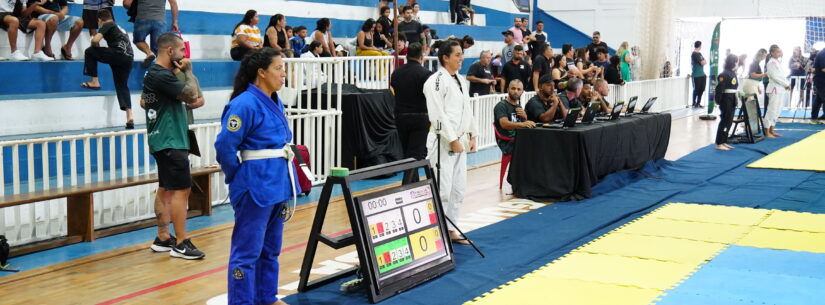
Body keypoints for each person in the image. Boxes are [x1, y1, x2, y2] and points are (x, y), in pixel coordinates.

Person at [215, 47, 295, 305]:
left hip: (278, 184)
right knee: (246, 253)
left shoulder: (275, 100)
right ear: (261, 73)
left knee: (271, 250)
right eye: (278, 68)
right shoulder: (243, 104)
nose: (284, 74)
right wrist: (237, 177)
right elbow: (225, 147)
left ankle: (266, 297)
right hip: (255, 186)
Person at [143, 33, 204, 260]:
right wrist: (187, 72)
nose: (184, 56)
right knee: (181, 189)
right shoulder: (160, 75)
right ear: (170, 51)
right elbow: (191, 95)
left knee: (167, 189)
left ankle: (162, 238)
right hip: (169, 139)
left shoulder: (157, 75)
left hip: (167, 138)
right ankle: (180, 243)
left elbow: (195, 98)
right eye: (181, 52)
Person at [423, 40, 477, 245]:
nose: (461, 58)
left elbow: (467, 108)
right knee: (442, 188)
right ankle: (436, 231)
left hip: (460, 140)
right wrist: (452, 139)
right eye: (457, 54)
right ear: (445, 57)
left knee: (458, 188)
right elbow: (437, 114)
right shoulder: (435, 80)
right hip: (442, 142)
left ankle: (451, 227)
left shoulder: (461, 80)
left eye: (461, 54)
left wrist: (473, 134)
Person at [81, 9, 134, 129]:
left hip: (117, 53)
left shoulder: (107, 24)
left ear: (99, 20)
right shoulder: (119, 27)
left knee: (89, 52)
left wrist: (93, 42)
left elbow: (95, 40)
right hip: (129, 57)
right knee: (122, 85)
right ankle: (129, 116)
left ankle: (95, 81)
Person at [391, 43, 432, 172]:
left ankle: (411, 183)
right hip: (420, 118)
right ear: (422, 57)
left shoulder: (396, 73)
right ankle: (409, 186)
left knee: (406, 154)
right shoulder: (426, 74)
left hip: (400, 117)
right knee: (416, 155)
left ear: (407, 56)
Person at [124, 0, 179, 68]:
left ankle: (149, 53)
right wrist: (175, 22)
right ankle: (157, 69)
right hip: (160, 20)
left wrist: (137, 8)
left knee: (139, 40)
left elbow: (126, 3)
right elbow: (173, 3)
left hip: (142, 18)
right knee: (158, 47)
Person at [494, 79, 536, 155]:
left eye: (518, 89)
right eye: (513, 88)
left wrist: (525, 117)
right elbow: (504, 124)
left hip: (518, 138)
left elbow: (523, 124)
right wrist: (522, 124)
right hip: (507, 142)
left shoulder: (518, 106)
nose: (516, 91)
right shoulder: (501, 106)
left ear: (522, 92)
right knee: (534, 147)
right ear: (508, 90)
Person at [715, 54, 740, 151]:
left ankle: (724, 140)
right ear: (732, 62)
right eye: (736, 62)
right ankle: (719, 142)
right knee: (725, 120)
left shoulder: (732, 73)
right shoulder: (724, 74)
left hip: (732, 98)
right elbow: (719, 89)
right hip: (726, 99)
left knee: (729, 121)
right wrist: (718, 100)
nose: (737, 64)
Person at [765, 44, 790, 138]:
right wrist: (786, 84)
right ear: (772, 53)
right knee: (772, 110)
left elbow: (782, 76)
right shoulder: (771, 62)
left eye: (780, 51)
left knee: (777, 110)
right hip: (774, 88)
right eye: (778, 51)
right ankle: (767, 131)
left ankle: (772, 130)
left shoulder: (777, 62)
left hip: (780, 89)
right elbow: (775, 77)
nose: (780, 53)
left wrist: (786, 84)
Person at [691, 41, 707, 108]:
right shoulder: (694, 54)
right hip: (696, 75)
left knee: (702, 89)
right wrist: (703, 61)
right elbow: (702, 62)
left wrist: (703, 61)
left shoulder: (699, 53)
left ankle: (698, 103)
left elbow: (705, 62)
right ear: (699, 46)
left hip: (702, 74)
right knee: (696, 89)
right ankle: (694, 103)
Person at [812, 47, 825, 122]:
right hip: (821, 81)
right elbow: (823, 68)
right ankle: (814, 118)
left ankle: (814, 118)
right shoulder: (823, 54)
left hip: (820, 81)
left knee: (818, 100)